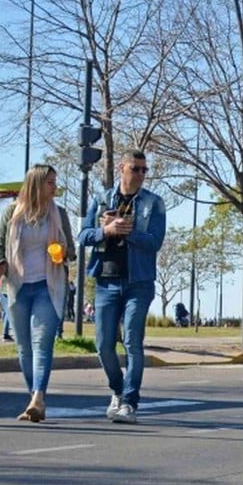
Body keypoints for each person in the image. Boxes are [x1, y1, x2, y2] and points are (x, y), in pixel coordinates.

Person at [78, 150, 167, 424]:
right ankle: (117, 390)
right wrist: (105, 231)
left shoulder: (154, 203)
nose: (140, 174)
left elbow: (155, 241)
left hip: (138, 282)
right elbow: (83, 236)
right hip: (106, 280)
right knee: (104, 344)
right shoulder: (102, 198)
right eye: (135, 168)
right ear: (121, 168)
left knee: (132, 342)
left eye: (144, 170)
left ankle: (130, 402)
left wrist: (127, 231)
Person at [0, 165, 76, 422]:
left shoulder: (59, 214)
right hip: (16, 286)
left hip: (48, 286)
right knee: (23, 347)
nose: (54, 187)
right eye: (50, 182)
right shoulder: (11, 214)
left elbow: (71, 252)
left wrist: (62, 252)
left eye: (54, 182)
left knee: (42, 344)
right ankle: (35, 400)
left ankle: (38, 396)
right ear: (36, 185)